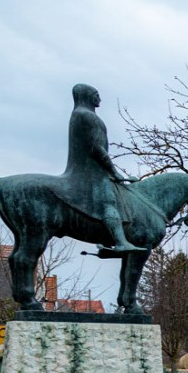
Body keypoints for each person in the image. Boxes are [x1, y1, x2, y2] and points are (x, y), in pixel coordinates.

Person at [63, 83, 141, 252]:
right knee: (109, 203)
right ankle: (120, 242)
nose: (99, 98)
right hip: (91, 172)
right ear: (87, 96)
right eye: (96, 94)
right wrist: (114, 172)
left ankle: (106, 243)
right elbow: (96, 148)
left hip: (87, 168)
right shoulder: (86, 115)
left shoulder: (79, 114)